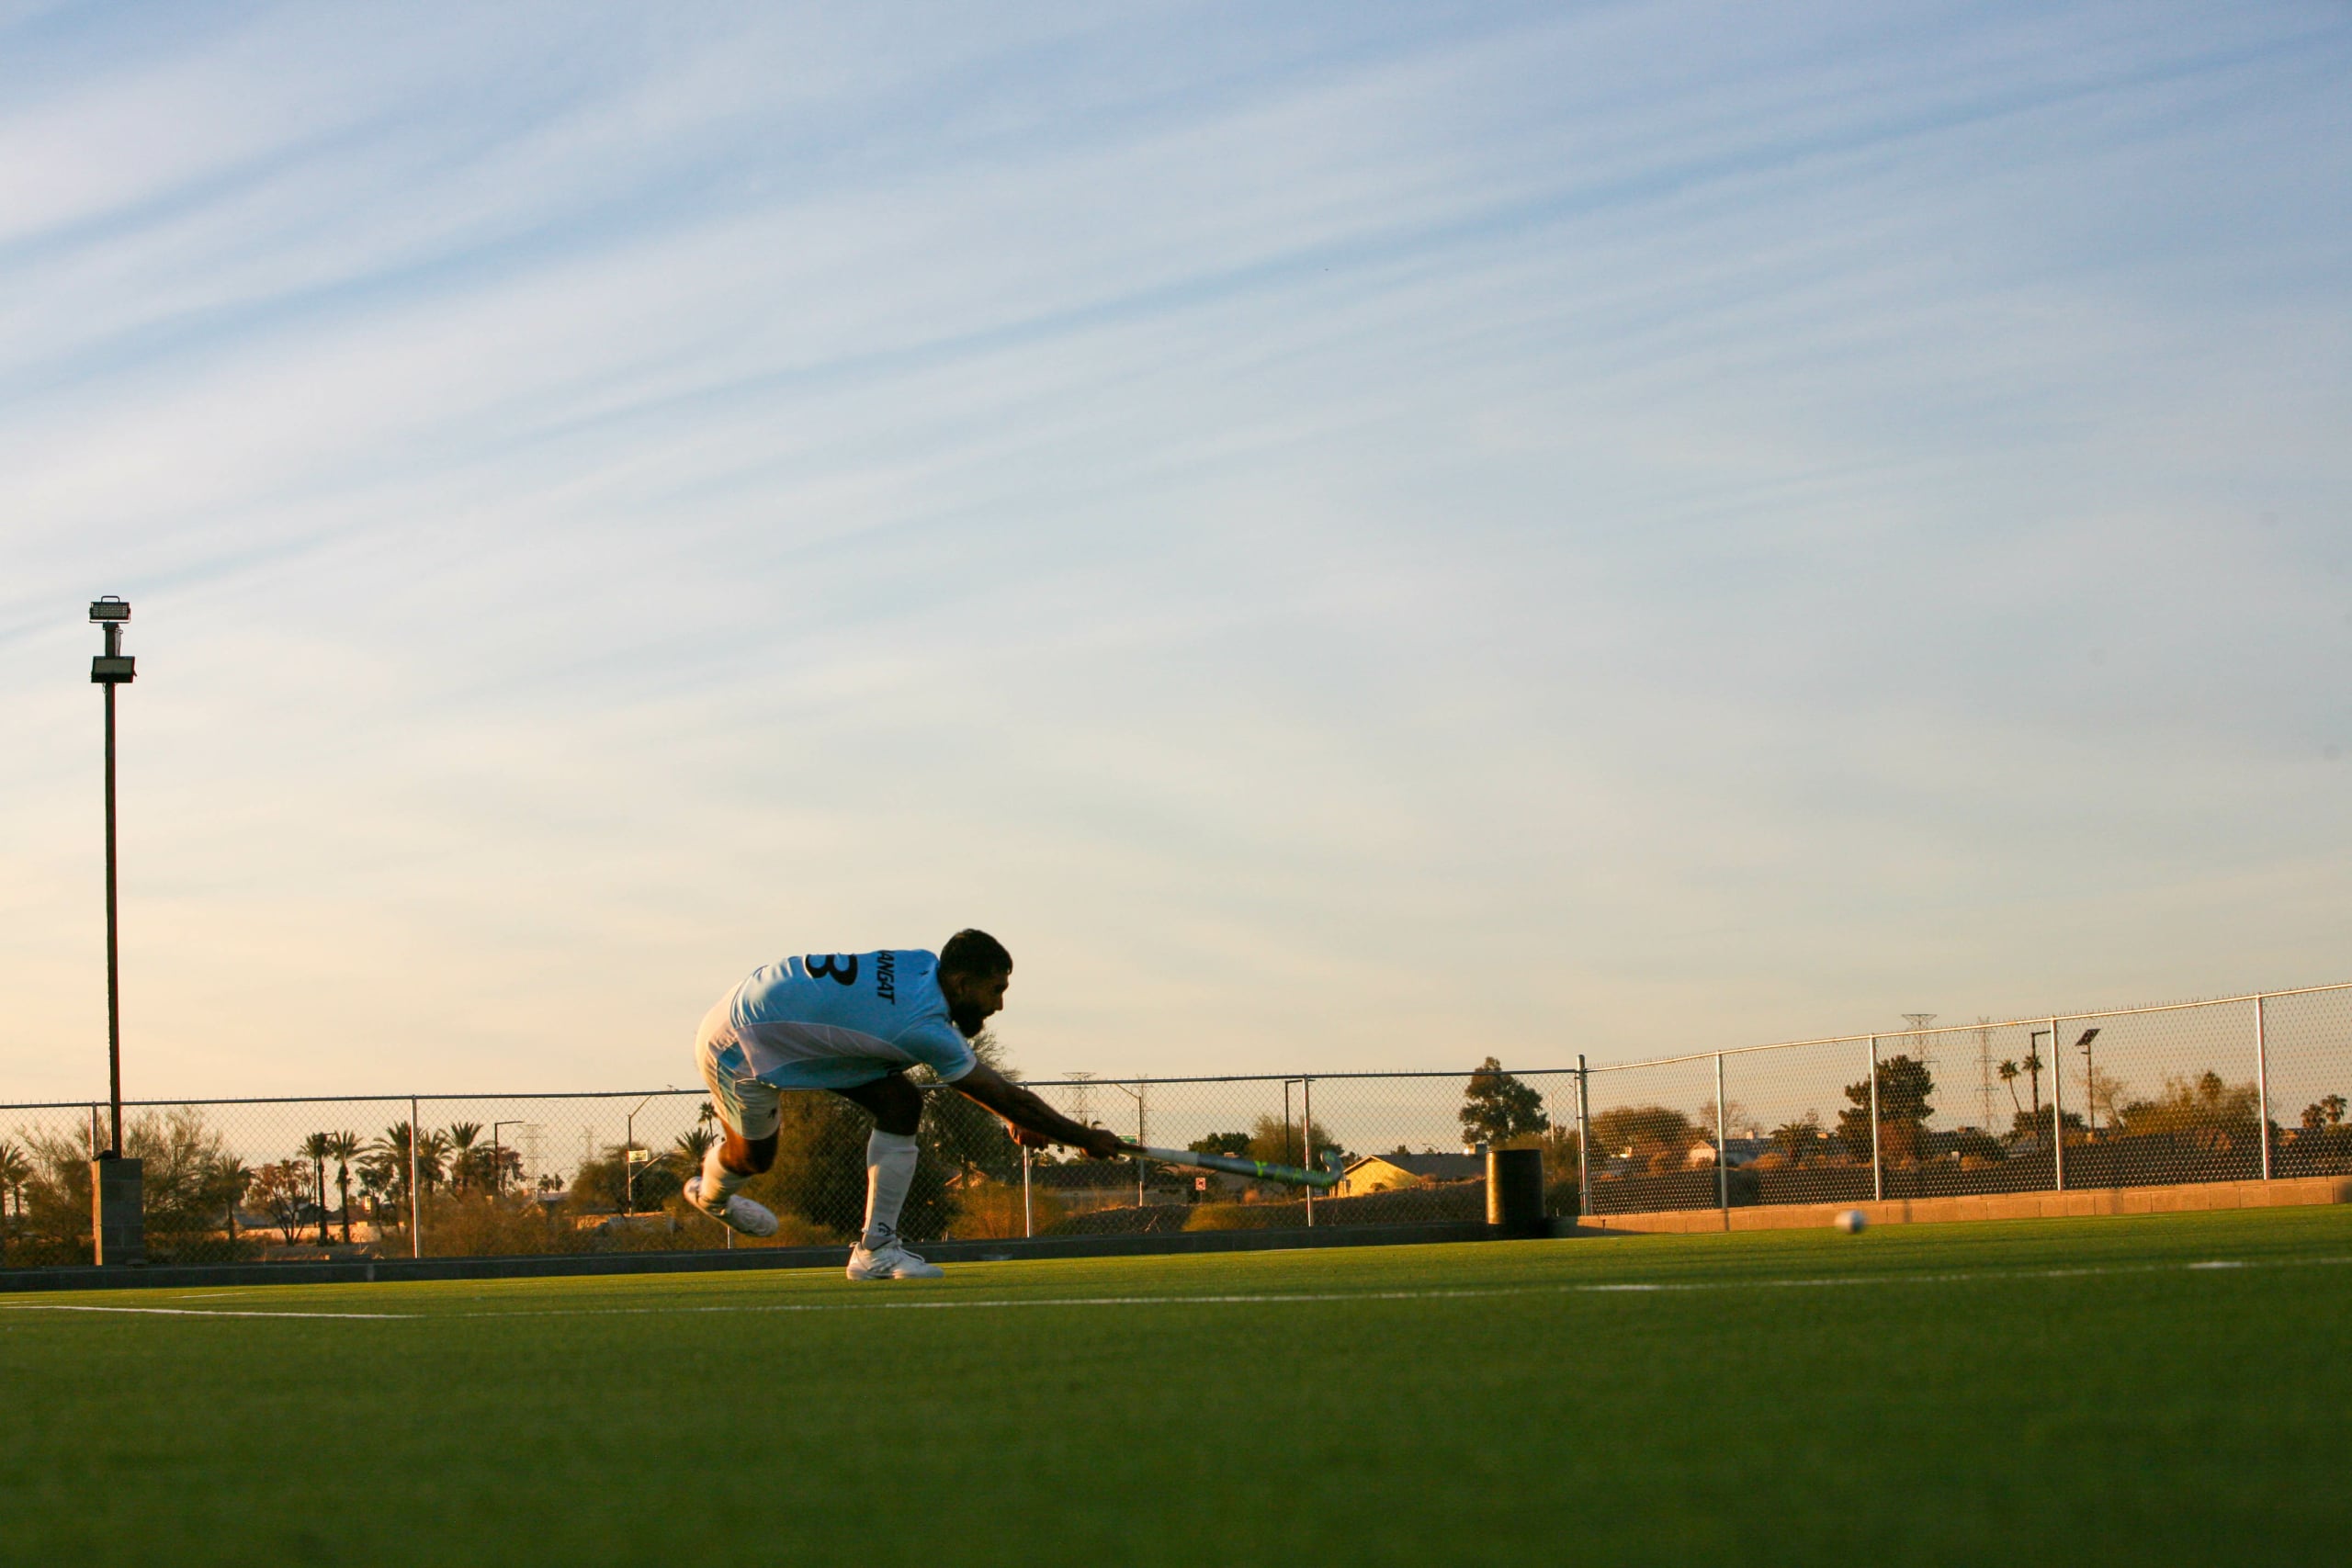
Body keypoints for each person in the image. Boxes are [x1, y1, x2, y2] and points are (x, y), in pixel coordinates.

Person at [683, 929, 1124, 1280]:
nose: (999, 1004)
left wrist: (1012, 1115)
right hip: (736, 1043)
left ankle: (874, 1250)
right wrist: (1083, 1136)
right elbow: (1005, 1094)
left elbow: (1001, 1098)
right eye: (994, 990)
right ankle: (712, 1193)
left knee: (901, 1103)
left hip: (774, 1013)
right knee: (754, 1159)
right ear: (961, 983)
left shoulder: (922, 966)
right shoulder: (921, 1023)